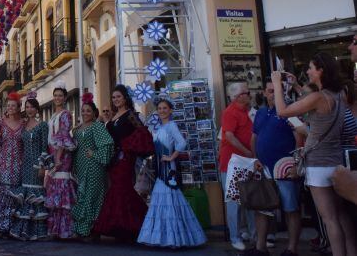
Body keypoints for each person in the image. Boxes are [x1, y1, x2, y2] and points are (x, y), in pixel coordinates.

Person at [273, 54, 357, 256]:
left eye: (310, 68)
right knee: (341, 215)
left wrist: (277, 83)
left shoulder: (319, 98)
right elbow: (313, 103)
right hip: (335, 160)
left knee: (329, 219)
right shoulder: (338, 95)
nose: (308, 71)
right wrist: (296, 87)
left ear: (320, 70)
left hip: (318, 163)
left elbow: (282, 111)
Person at [137, 97, 206, 248]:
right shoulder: (161, 128)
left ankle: (172, 238)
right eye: (160, 108)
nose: (162, 111)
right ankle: (166, 237)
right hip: (161, 168)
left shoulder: (171, 126)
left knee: (169, 198)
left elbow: (182, 142)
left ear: (171, 111)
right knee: (166, 199)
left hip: (169, 168)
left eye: (165, 108)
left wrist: (171, 157)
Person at [246, 81, 303, 256]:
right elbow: (254, 138)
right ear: (264, 92)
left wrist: (296, 163)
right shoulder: (261, 113)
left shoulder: (290, 111)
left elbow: (300, 136)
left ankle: (291, 249)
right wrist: (254, 158)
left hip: (285, 167)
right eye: (270, 91)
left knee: (290, 209)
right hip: (264, 168)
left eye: (275, 90)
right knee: (261, 207)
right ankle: (260, 247)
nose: (272, 94)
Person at [93, 85, 154, 240]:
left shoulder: (130, 115)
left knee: (122, 189)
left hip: (125, 159)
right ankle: (122, 227)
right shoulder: (113, 116)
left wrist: (127, 145)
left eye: (118, 97)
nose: (116, 100)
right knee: (119, 189)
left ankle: (137, 224)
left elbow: (143, 133)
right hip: (113, 159)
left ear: (125, 98)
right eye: (113, 97)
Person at [218, 82, 256, 250]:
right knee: (233, 201)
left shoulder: (249, 111)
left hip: (246, 161)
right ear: (238, 96)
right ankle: (235, 236)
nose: (250, 94)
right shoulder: (230, 112)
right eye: (247, 92)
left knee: (249, 199)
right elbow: (229, 135)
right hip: (232, 162)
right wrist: (247, 151)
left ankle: (252, 233)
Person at [70, 93, 114, 238]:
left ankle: (92, 228)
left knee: (92, 195)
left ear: (94, 113)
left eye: (88, 111)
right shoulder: (77, 129)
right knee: (82, 195)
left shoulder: (97, 126)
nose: (85, 113)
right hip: (81, 167)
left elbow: (107, 144)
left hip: (95, 166)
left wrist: (94, 154)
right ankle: (83, 228)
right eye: (83, 111)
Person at [9, 93, 49, 240]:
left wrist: (42, 167)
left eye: (32, 106)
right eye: (27, 107)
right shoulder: (24, 126)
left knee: (35, 195)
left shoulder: (43, 125)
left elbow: (45, 147)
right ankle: (25, 230)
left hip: (36, 164)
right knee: (26, 194)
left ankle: (37, 232)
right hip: (24, 165)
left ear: (37, 109)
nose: (30, 109)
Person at [44, 87, 76, 239]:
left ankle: (65, 229)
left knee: (61, 187)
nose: (57, 98)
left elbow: (63, 137)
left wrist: (58, 158)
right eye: (55, 95)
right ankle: (56, 228)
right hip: (53, 153)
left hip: (61, 155)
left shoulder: (66, 115)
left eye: (60, 96)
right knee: (54, 187)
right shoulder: (54, 114)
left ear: (65, 98)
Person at [0, 91, 24, 234]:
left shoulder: (24, 124)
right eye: (8, 105)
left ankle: (13, 225)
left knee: (16, 192)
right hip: (4, 162)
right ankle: (1, 225)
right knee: (4, 191)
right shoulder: (0, 123)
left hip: (19, 163)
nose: (10, 108)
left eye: (13, 106)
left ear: (18, 107)